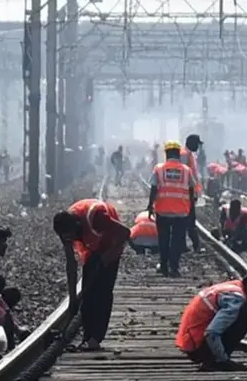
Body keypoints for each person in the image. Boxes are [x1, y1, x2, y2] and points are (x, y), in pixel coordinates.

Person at [54, 199, 131, 351]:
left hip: (112, 242)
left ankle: (96, 338)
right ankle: (87, 336)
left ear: (78, 227)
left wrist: (108, 255)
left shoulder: (97, 218)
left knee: (103, 291)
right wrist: (72, 298)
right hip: (93, 247)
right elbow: (71, 263)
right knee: (88, 293)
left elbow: (125, 233)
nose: (69, 240)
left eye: (71, 236)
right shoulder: (64, 228)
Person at [175, 268, 247, 371]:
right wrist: (224, 361)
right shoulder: (236, 298)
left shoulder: (232, 287)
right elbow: (211, 333)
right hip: (197, 347)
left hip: (192, 341)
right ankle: (214, 362)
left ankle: (214, 359)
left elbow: (221, 333)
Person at [148, 140, 197, 277]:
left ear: (166, 153)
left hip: (162, 210)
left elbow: (153, 188)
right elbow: (191, 189)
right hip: (181, 212)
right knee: (177, 240)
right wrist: (191, 209)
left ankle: (164, 266)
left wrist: (150, 205)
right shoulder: (186, 170)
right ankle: (174, 268)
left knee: (163, 240)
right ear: (178, 154)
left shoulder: (159, 168)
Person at [180, 134, 203, 252]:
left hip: (189, 193)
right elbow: (184, 175)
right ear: (191, 143)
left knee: (188, 221)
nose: (198, 147)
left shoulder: (188, 154)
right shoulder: (184, 154)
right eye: (197, 144)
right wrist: (190, 194)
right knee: (189, 221)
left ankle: (187, 245)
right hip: (186, 194)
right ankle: (195, 246)